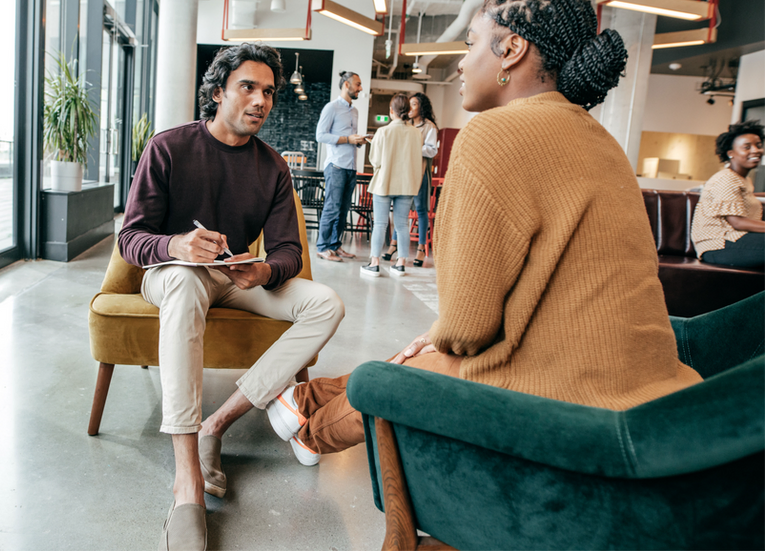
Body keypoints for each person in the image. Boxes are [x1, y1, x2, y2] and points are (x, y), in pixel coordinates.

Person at [264, 0, 703, 464]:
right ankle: (304, 401)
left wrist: (439, 336)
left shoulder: (493, 133)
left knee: (419, 361)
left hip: (568, 404)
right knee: (431, 345)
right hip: (659, 395)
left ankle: (312, 433)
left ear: (512, 49)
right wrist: (442, 334)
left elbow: (468, 329)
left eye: (471, 43)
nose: (460, 59)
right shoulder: (604, 140)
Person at [118, 44, 345, 550]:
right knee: (181, 279)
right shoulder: (169, 147)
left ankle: (215, 426)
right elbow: (131, 239)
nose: (261, 100)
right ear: (217, 91)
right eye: (248, 86)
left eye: (268, 91)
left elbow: (288, 248)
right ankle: (187, 484)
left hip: (234, 276)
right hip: (174, 273)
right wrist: (176, 245)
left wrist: (263, 268)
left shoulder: (272, 168)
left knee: (326, 302)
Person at [358, 94, 423, 278]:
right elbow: (418, 161)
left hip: (384, 183)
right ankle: (401, 263)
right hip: (406, 184)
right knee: (402, 224)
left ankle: (374, 263)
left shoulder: (383, 132)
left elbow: (375, 161)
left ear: (391, 111)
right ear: (408, 111)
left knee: (380, 223)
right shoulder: (416, 133)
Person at [691, 120, 765, 267]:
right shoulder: (726, 179)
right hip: (719, 245)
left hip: (736, 240)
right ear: (730, 153)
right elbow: (737, 222)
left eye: (758, 145)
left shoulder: (743, 180)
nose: (756, 150)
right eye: (747, 147)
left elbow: (745, 199)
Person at [315, 71, 368, 262]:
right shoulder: (332, 108)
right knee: (332, 207)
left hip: (351, 166)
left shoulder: (354, 111)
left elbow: (350, 138)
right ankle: (322, 247)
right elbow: (320, 135)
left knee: (344, 209)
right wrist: (347, 139)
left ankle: (335, 246)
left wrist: (357, 141)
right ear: (347, 84)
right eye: (358, 84)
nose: (360, 88)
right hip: (336, 165)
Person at [383, 92, 439, 267]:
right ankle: (393, 246)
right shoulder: (404, 125)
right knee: (401, 211)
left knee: (421, 211)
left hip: (420, 172)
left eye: (414, 104)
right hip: (404, 173)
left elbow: (431, 151)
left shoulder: (429, 127)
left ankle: (421, 250)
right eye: (409, 104)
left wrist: (412, 146)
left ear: (421, 107)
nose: (410, 108)